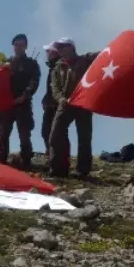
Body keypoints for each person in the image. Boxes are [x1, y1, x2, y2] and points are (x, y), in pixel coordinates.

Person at [48, 39, 98, 178]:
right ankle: (58, 169)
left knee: (84, 136)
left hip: (83, 102)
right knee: (55, 134)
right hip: (65, 104)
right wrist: (61, 99)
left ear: (71, 47)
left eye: (63, 46)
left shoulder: (85, 60)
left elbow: (104, 55)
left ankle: (83, 170)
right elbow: (55, 88)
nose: (61, 50)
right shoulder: (57, 68)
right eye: (59, 47)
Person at [0, 33, 40, 168]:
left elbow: (34, 82)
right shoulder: (5, 64)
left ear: (26, 46)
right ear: (13, 46)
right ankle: (1, 162)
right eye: (16, 45)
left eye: (22, 45)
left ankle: (26, 162)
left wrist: (24, 96)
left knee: (24, 135)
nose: (19, 48)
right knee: (2, 134)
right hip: (7, 104)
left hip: (23, 103)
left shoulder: (32, 64)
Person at [41, 40, 65, 155]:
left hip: (57, 104)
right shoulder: (52, 67)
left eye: (49, 51)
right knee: (46, 131)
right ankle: (51, 153)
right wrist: (46, 98)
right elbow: (50, 88)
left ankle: (57, 156)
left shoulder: (60, 66)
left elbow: (60, 86)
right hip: (50, 104)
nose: (47, 53)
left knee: (56, 132)